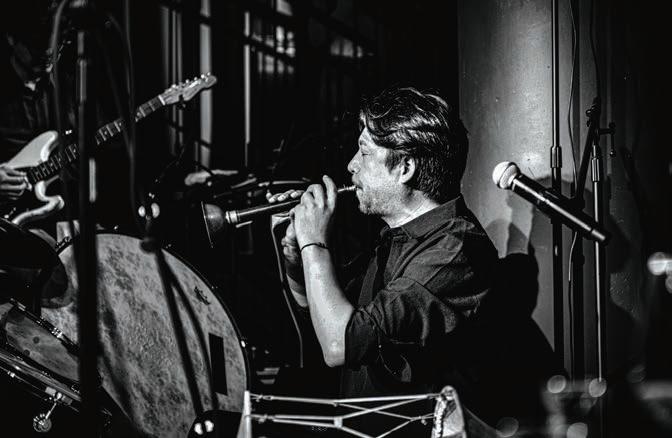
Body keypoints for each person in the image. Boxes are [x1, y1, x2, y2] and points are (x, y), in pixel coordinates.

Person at [268, 86, 511, 434]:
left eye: (365, 152)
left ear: (406, 167)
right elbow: (324, 315)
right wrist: (297, 256)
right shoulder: (394, 239)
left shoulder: (453, 250)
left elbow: (340, 343)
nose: (351, 165)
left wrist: (314, 244)